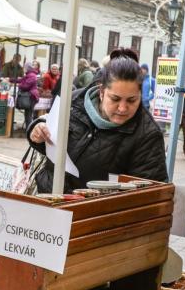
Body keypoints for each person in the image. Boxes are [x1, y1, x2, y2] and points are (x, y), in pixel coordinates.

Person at [27, 48, 167, 191]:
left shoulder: (148, 134)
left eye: (132, 100)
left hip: (94, 211)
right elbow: (50, 139)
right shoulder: (74, 100)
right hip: (48, 197)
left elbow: (148, 194)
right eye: (115, 99)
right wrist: (37, 131)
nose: (123, 108)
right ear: (101, 92)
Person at [18, 64, 40, 129]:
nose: (23, 69)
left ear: (27, 68)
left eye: (24, 68)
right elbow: (21, 80)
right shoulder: (29, 75)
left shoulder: (32, 76)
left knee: (29, 114)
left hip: (31, 96)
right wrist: (10, 79)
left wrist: (19, 85)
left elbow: (25, 86)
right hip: (31, 96)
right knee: (28, 114)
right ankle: (29, 129)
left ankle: (29, 130)